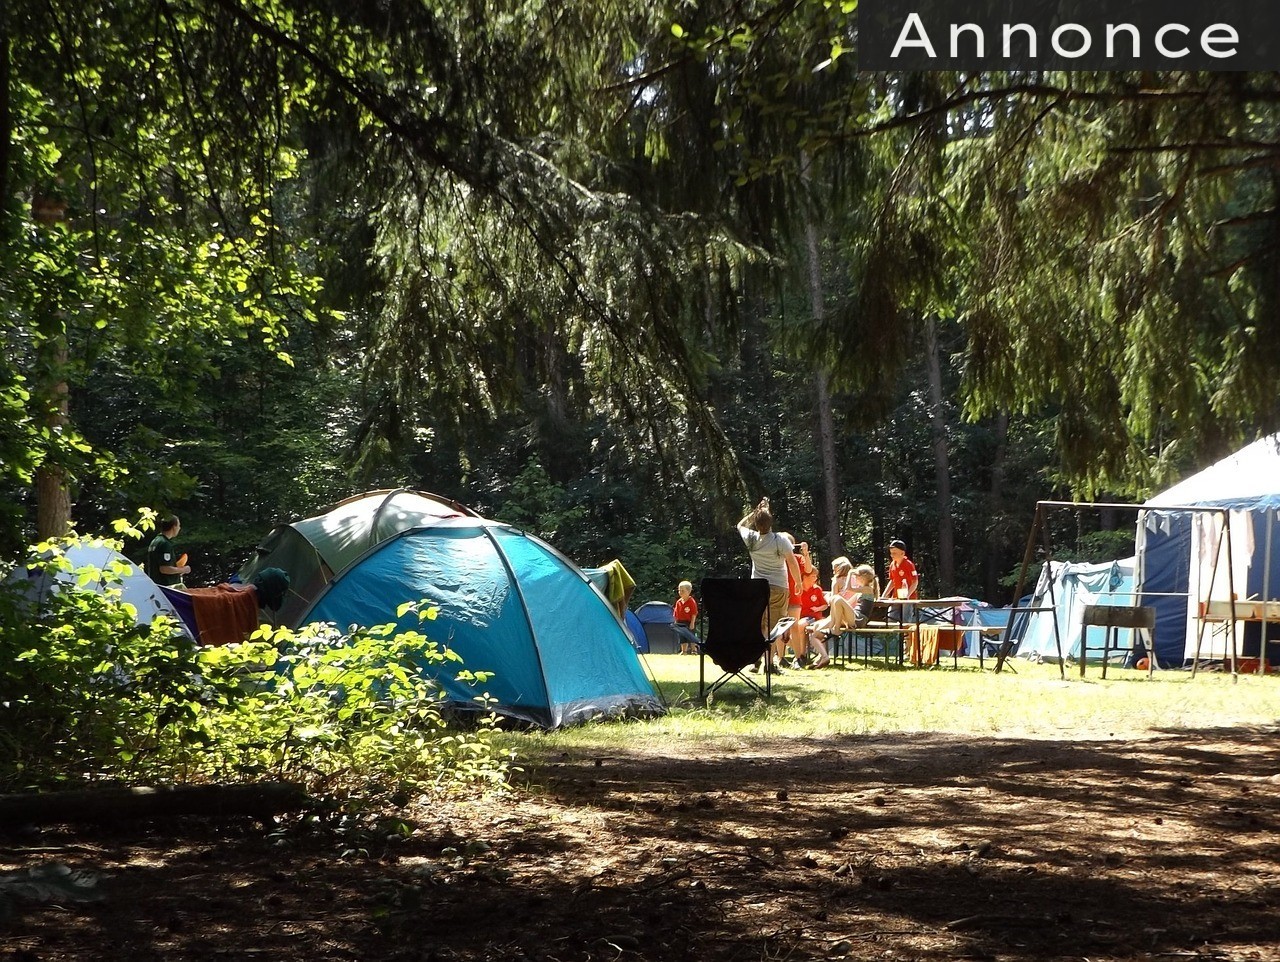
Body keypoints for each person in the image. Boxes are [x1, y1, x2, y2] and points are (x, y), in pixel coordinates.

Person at [737, 498, 800, 673]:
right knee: (774, 626)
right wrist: (799, 583)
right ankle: (770, 665)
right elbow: (792, 562)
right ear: (771, 522)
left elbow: (740, 525)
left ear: (756, 524)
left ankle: (757, 660)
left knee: (760, 625)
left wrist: (755, 512)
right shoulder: (780, 540)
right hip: (779, 587)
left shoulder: (751, 538)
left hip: (757, 588)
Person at [146, 514, 191, 587]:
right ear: (174, 527)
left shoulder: (155, 541)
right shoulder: (165, 544)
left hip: (156, 585)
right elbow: (164, 569)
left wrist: (176, 569)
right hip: (167, 587)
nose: (179, 528)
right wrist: (183, 570)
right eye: (179, 525)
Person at [881, 538, 919, 622]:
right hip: (895, 598)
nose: (892, 555)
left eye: (894, 553)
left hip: (908, 599)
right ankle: (893, 635)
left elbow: (915, 581)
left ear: (902, 553)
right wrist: (884, 595)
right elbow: (892, 581)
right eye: (891, 553)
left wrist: (907, 595)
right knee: (891, 619)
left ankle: (906, 635)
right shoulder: (892, 565)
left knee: (905, 621)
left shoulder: (908, 564)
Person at [673, 580, 699, 655]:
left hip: (689, 621)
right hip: (680, 622)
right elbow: (676, 613)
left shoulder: (691, 601)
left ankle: (694, 650)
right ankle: (684, 651)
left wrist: (692, 623)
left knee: (691, 636)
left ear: (689, 591)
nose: (680, 592)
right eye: (679, 590)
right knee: (682, 637)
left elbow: (694, 613)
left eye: (683, 591)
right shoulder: (679, 602)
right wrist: (676, 622)